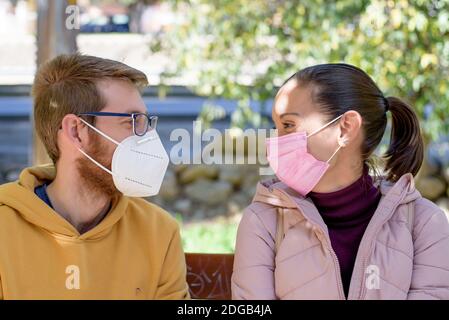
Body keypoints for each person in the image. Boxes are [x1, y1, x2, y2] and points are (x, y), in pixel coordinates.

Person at [232, 63, 449, 300]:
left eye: (288, 125)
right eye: (276, 127)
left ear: (345, 128)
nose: (274, 142)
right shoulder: (262, 221)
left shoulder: (424, 223)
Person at [0, 54, 190, 299]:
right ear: (77, 131)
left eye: (146, 122)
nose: (147, 137)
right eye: (132, 121)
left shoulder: (159, 231)